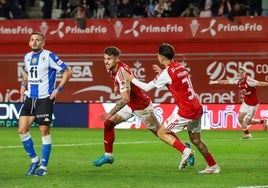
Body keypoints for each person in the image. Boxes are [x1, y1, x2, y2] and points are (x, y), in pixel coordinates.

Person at [92, 46, 195, 170]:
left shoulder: (121, 73)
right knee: (109, 124)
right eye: (105, 58)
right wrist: (115, 86)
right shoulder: (112, 69)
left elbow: (125, 99)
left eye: (109, 59)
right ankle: (108, 156)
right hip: (131, 106)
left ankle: (185, 148)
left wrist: (110, 112)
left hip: (141, 107)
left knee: (160, 133)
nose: (106, 61)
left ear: (117, 59)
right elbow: (119, 85)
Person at [123, 43, 220, 174]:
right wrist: (162, 73)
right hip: (197, 107)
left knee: (161, 132)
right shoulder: (180, 66)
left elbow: (146, 87)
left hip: (186, 111)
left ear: (161, 57)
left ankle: (185, 151)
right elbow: (174, 80)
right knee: (196, 139)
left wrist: (132, 78)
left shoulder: (167, 73)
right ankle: (213, 165)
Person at [18, 31, 72, 176]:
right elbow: (26, 73)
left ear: (43, 43)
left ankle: (44, 168)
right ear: (29, 42)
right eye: (32, 40)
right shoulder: (27, 57)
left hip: (44, 99)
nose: (34, 42)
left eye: (37, 40)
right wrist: (23, 85)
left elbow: (67, 71)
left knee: (44, 132)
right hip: (30, 99)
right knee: (22, 130)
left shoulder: (49, 56)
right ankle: (35, 160)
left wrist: (58, 89)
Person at [209, 67, 268, 139]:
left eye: (241, 73)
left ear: (244, 74)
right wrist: (214, 82)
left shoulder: (249, 81)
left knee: (248, 122)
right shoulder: (237, 80)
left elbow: (259, 83)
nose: (239, 74)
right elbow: (226, 82)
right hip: (246, 102)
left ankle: (263, 121)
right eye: (238, 72)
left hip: (253, 104)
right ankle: (248, 135)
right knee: (240, 118)